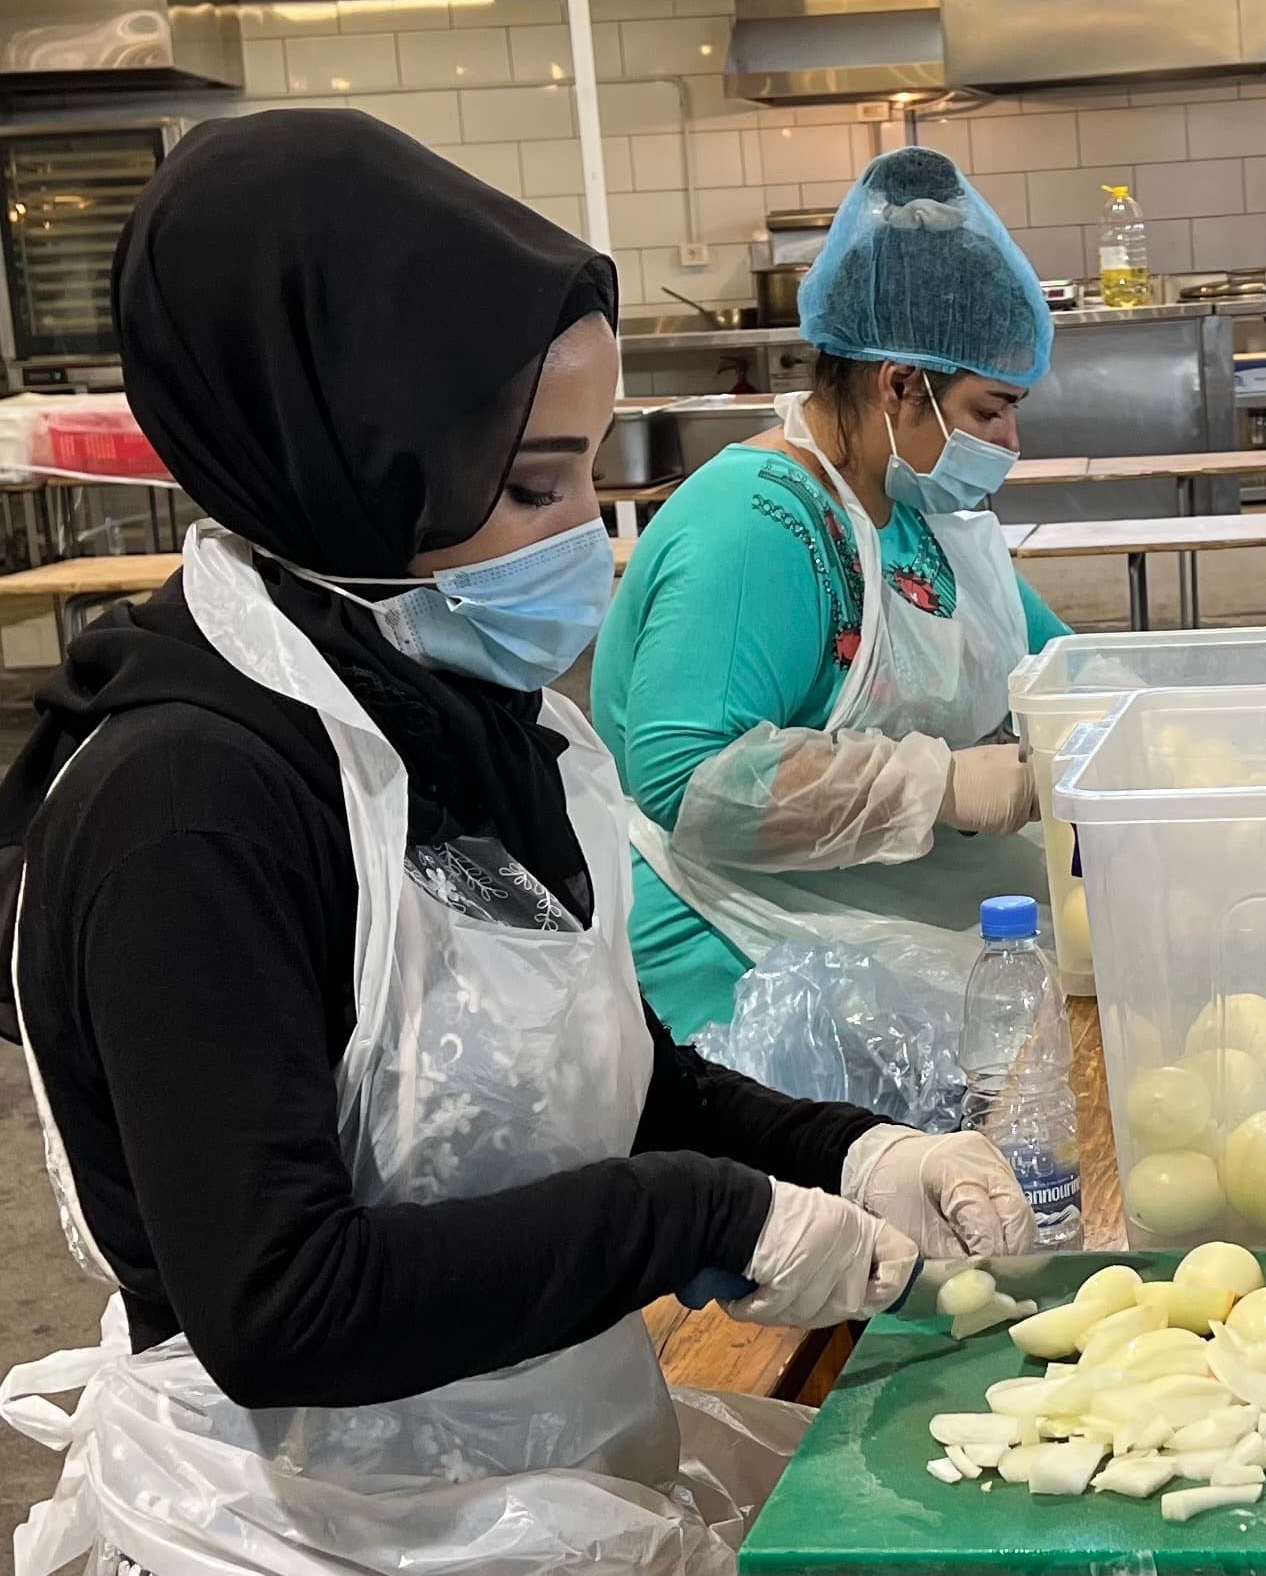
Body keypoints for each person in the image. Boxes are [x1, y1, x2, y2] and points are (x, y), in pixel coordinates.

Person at [0, 110, 1030, 1574]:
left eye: (590, 469)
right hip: (300, 1518)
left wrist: (853, 1152)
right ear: (350, 459)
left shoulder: (471, 713)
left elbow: (588, 1073)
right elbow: (281, 1303)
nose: (588, 534)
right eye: (535, 482)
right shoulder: (188, 809)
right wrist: (704, 1213)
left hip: (540, 1450)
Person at [596, 145, 1069, 1037]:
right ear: (900, 384)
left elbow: (1057, 669)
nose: (1010, 440)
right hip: (739, 946)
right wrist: (946, 787)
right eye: (990, 409)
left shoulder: (920, 509)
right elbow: (684, 779)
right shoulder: (755, 524)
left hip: (872, 897)